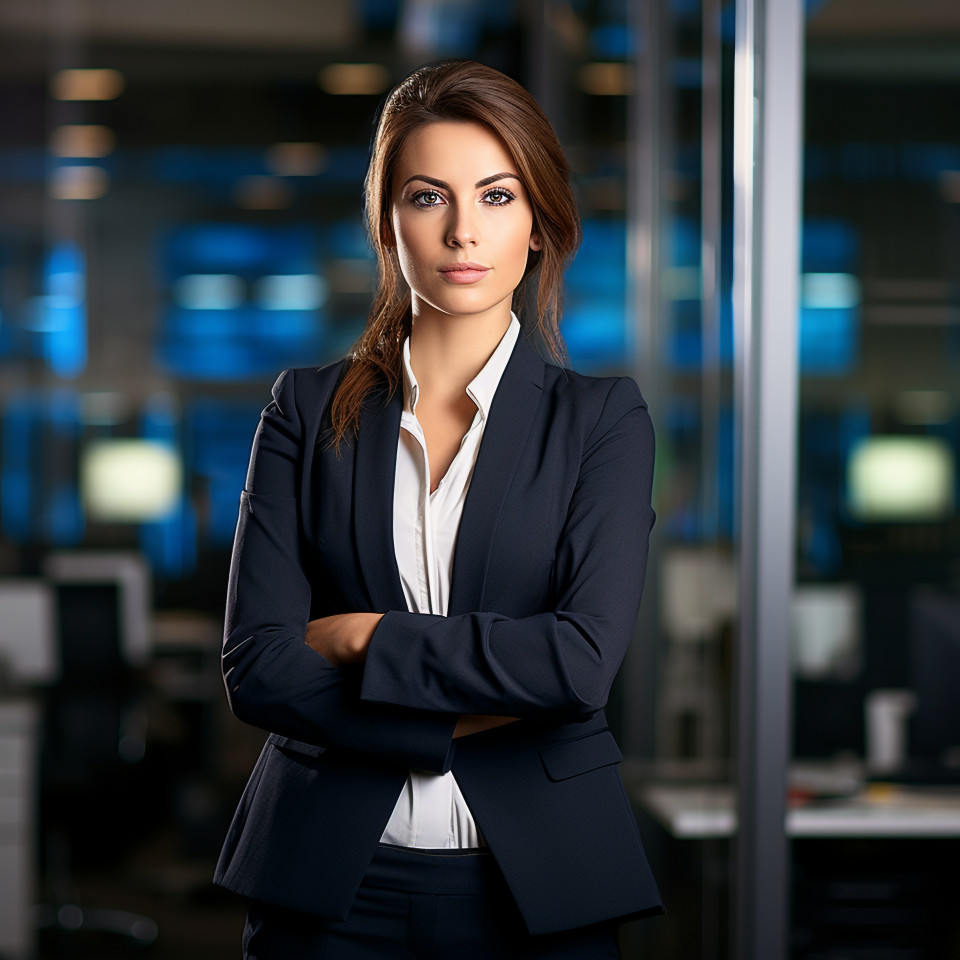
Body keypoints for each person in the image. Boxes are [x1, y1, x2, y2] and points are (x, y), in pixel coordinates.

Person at [214, 58, 662, 960]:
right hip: (328, 883)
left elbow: (578, 665)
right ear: (388, 223)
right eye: (428, 198)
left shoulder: (602, 420)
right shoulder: (304, 408)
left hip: (539, 881)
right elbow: (257, 666)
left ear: (538, 222)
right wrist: (473, 703)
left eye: (496, 197)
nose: (464, 232)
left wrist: (363, 638)